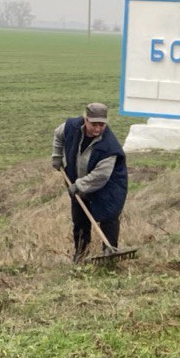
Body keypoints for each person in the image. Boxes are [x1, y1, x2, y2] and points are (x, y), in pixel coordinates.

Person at [51, 102, 128, 260]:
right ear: (85, 120)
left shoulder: (109, 147)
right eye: (94, 124)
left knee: (109, 217)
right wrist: (57, 157)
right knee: (80, 221)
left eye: (102, 125)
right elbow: (58, 135)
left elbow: (101, 176)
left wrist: (79, 185)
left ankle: (110, 253)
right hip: (78, 180)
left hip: (109, 186)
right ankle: (81, 256)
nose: (98, 129)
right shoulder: (72, 126)